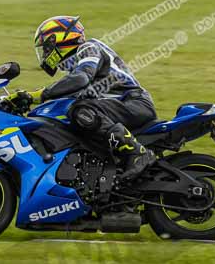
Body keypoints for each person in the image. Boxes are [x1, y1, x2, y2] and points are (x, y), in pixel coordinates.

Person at [25, 15, 157, 180]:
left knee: (81, 110)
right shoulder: (77, 65)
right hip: (120, 104)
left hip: (134, 102)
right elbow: (72, 85)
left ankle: (137, 153)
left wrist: (39, 95)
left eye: (46, 48)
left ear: (59, 40)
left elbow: (81, 78)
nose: (45, 54)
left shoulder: (88, 48)